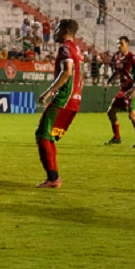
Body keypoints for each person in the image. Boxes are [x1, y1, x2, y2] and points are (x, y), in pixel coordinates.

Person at [34, 19, 83, 188]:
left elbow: (67, 72)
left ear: (66, 30)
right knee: (48, 136)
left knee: (42, 135)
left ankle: (53, 178)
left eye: (59, 29)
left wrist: (49, 92)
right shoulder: (78, 49)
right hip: (75, 100)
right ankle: (53, 177)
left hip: (64, 99)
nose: (56, 32)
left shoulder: (65, 48)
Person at [105, 36, 135, 148]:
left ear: (127, 44)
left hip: (132, 89)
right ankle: (117, 137)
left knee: (132, 116)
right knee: (111, 112)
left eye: (121, 43)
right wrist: (108, 81)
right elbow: (116, 72)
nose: (119, 46)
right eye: (118, 43)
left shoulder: (132, 58)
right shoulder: (116, 57)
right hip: (123, 90)